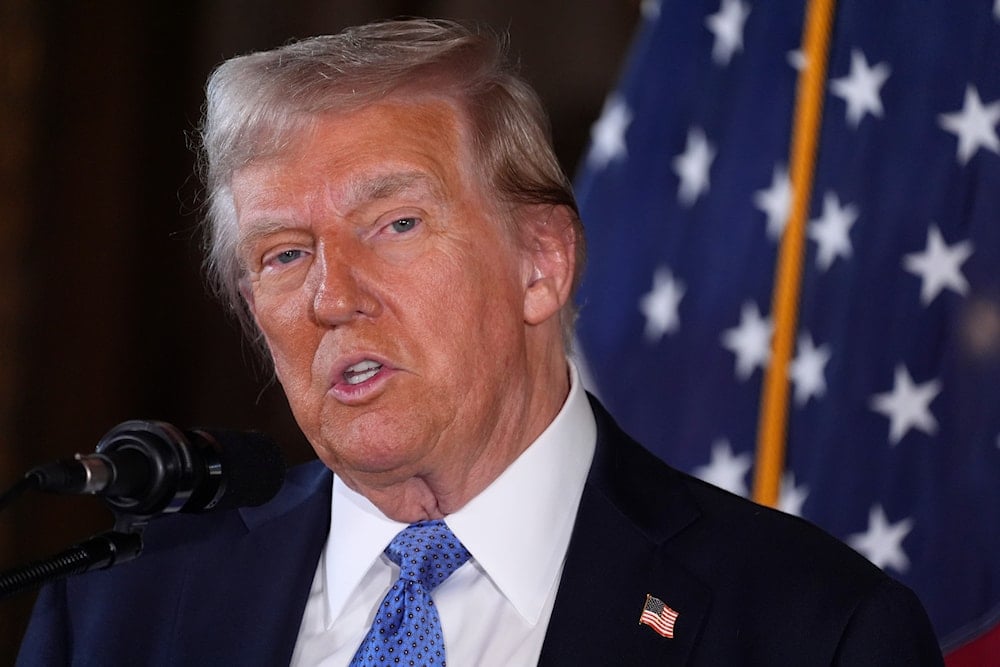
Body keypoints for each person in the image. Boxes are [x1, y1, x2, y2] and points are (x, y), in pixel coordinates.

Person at [18, 17, 943, 666]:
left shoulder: (812, 631)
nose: (333, 296)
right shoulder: (115, 612)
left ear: (542, 262)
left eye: (397, 225)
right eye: (285, 253)